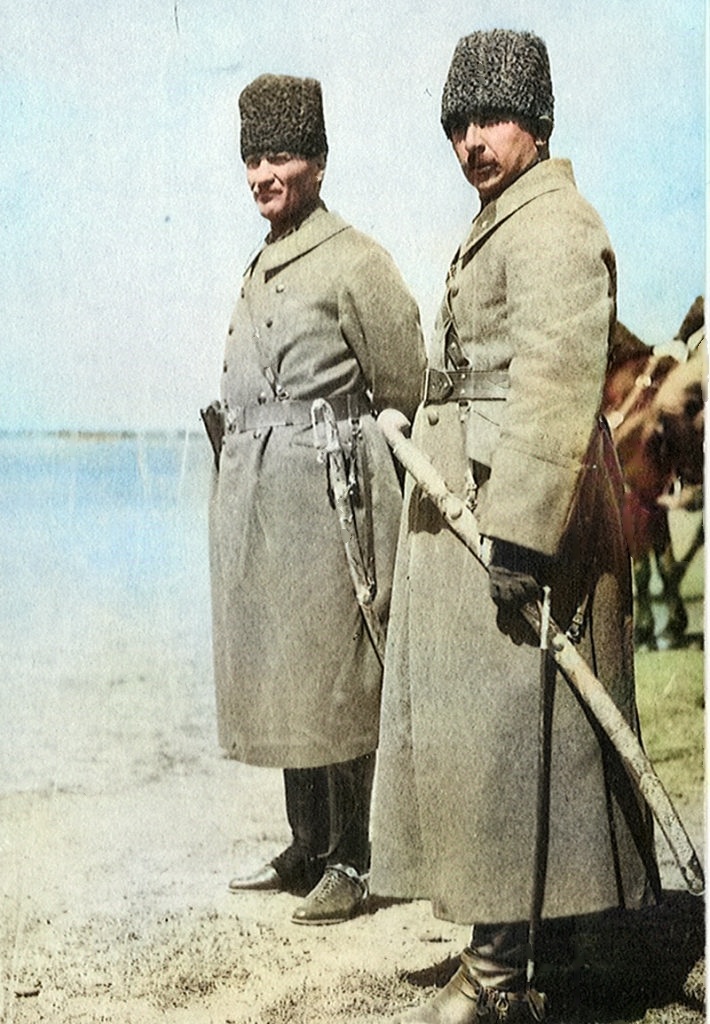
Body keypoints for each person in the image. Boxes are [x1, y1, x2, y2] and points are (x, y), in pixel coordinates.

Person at [369, 30, 661, 1022]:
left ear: (536, 121)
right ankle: (556, 951)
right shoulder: (505, 218)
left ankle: (499, 973)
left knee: (513, 742)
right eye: (456, 124)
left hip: (523, 515)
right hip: (475, 508)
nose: (470, 142)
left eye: (489, 119)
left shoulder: (556, 224)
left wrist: (522, 533)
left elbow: (555, 380)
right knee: (514, 737)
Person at [207, 73, 425, 926]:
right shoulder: (261, 260)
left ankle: (356, 858)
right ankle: (306, 842)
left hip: (333, 501)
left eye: (281, 157)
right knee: (283, 671)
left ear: (320, 163)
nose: (263, 175)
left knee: (340, 675)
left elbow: (403, 384)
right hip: (261, 497)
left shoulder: (355, 260)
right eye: (252, 159)